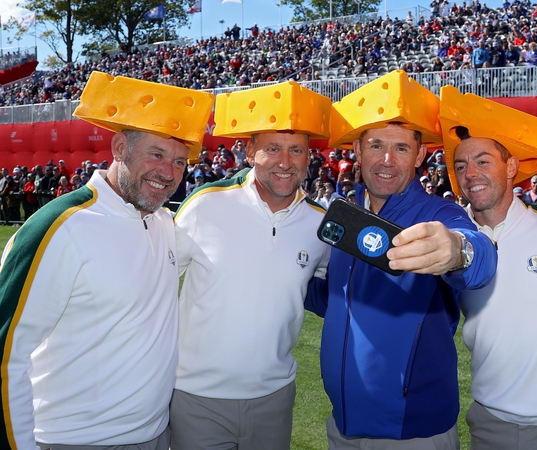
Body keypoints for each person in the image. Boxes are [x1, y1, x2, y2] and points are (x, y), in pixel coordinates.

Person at [0, 71, 214, 449]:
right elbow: (6, 354)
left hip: (155, 435)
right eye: (156, 154)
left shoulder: (165, 224)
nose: (168, 173)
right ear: (118, 147)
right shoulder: (58, 227)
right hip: (73, 441)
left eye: (180, 162)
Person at [305, 71, 497, 449]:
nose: (386, 160)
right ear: (357, 150)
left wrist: (458, 251)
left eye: (402, 148)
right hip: (343, 424)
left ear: (420, 155)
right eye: (375, 145)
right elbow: (338, 299)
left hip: (411, 431)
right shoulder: (346, 215)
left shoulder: (438, 213)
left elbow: (480, 258)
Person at [170, 82, 332, 450]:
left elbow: (329, 293)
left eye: (296, 150)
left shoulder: (320, 223)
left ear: (309, 156)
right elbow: (155, 279)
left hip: (274, 398)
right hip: (197, 398)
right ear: (249, 151)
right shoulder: (205, 205)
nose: (285, 162)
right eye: (272, 148)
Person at [440, 87, 537, 450]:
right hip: (489, 422)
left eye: (483, 161)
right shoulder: (450, 240)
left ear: (512, 167)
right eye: (460, 165)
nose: (470, 173)